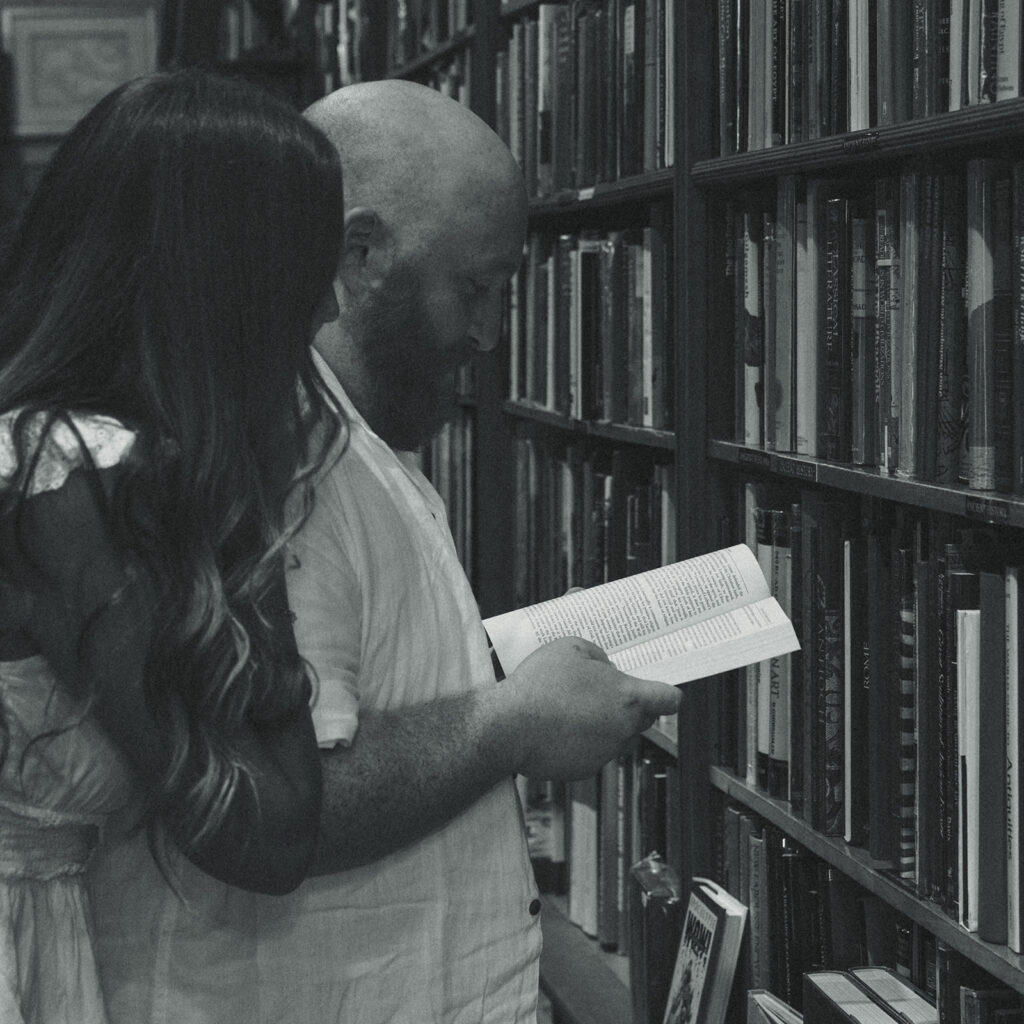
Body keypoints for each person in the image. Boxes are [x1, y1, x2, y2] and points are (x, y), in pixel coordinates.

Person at [89, 80, 682, 1023]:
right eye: (475, 288)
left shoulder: (351, 439)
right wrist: (511, 722)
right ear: (361, 255)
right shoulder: (281, 457)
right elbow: (274, 796)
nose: (489, 334)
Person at [0, 68, 349, 1024]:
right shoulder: (74, 484)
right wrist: (256, 502)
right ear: (227, 283)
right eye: (307, 266)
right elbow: (269, 832)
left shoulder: (35, 446)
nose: (326, 312)